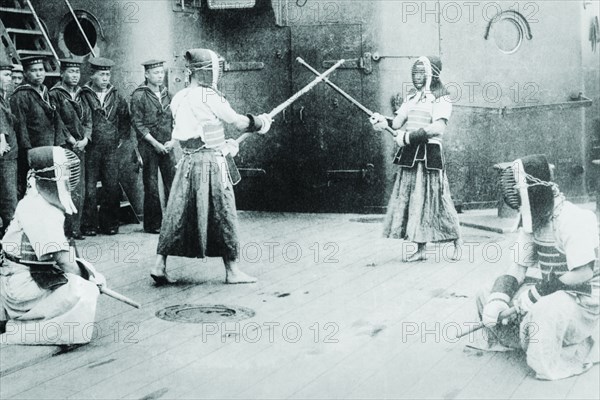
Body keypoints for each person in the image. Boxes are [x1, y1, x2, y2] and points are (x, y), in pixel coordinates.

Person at [151, 48, 271, 285]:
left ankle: (159, 265)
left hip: (187, 161)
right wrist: (260, 122)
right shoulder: (209, 97)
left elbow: (197, 130)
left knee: (176, 212)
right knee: (223, 210)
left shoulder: (179, 96)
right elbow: (237, 122)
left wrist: (223, 143)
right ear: (206, 72)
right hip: (210, 163)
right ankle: (233, 271)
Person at [476, 154, 599, 380]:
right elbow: (518, 267)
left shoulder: (574, 218)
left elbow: (584, 273)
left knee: (544, 310)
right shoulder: (533, 219)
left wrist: (536, 294)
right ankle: (526, 340)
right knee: (486, 292)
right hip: (551, 290)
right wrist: (499, 298)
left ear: (534, 194)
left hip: (584, 299)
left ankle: (553, 355)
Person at [0, 146, 104, 344]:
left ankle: (27, 320)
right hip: (18, 284)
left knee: (87, 275)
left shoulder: (39, 200)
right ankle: (20, 329)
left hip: (26, 275)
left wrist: (90, 272)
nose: (69, 179)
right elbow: (64, 262)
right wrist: (89, 279)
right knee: (83, 292)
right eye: (64, 173)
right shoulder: (39, 209)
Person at [370, 56, 460, 262]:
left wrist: (407, 137)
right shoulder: (412, 96)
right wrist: (383, 121)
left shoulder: (441, 97)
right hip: (410, 156)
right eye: (416, 72)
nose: (418, 77)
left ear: (432, 73)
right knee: (414, 203)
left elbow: (437, 128)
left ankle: (458, 241)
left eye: (422, 72)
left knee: (438, 202)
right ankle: (420, 250)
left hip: (429, 156)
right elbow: (398, 122)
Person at [80, 57, 130, 236]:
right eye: (102, 75)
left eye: (108, 75)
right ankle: (89, 225)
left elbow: (125, 117)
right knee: (90, 188)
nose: (105, 78)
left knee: (111, 186)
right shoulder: (84, 95)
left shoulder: (116, 95)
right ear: (92, 75)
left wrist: (121, 138)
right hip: (91, 148)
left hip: (111, 149)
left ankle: (110, 224)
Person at [10, 56, 66, 198]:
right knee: (32, 189)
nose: (39, 74)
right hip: (34, 150)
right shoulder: (21, 96)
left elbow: (57, 120)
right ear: (25, 74)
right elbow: (20, 126)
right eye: (33, 71)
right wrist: (27, 151)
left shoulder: (47, 93)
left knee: (50, 186)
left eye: (41, 70)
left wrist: (59, 144)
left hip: (50, 149)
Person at [130, 59, 176, 234]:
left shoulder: (168, 95)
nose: (159, 76)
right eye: (155, 73)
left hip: (167, 146)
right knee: (151, 186)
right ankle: (153, 225)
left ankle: (174, 222)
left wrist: (173, 141)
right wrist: (155, 143)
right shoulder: (139, 95)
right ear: (146, 74)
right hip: (149, 147)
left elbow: (176, 119)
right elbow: (138, 123)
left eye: (161, 72)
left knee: (172, 183)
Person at [49, 58, 92, 240]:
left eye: (77, 72)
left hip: (81, 146)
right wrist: (71, 139)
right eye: (71, 72)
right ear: (62, 74)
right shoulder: (55, 94)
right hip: (65, 147)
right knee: (65, 187)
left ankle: (76, 229)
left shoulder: (82, 94)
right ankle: (64, 230)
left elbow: (89, 119)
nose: (75, 76)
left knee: (78, 188)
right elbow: (57, 119)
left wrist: (86, 138)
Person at [0, 61, 17, 239]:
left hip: (10, 154)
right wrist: (2, 137)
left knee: (9, 197)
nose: (9, 79)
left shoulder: (5, 96)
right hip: (4, 153)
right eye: (5, 75)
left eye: (10, 75)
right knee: (8, 198)